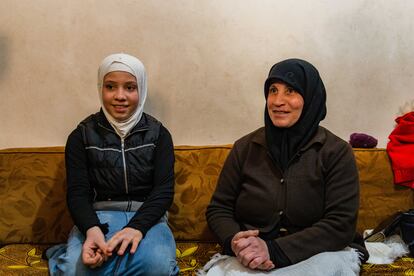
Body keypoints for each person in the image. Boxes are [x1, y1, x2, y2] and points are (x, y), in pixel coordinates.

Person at [205, 58, 368, 275]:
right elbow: (219, 208)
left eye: (290, 91)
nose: (278, 101)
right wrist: (236, 241)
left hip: (317, 254)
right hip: (251, 255)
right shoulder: (245, 148)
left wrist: (273, 250)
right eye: (273, 90)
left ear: (310, 98)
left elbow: (340, 225)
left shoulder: (335, 152)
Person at [46, 53, 179, 275]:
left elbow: (163, 191)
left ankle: (67, 254)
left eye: (130, 87)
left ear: (142, 89)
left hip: (147, 216)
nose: (120, 96)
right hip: (99, 216)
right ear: (101, 88)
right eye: (110, 87)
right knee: (74, 270)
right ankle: (66, 255)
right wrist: (92, 229)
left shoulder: (159, 135)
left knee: (158, 268)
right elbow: (78, 193)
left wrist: (136, 228)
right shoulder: (81, 136)